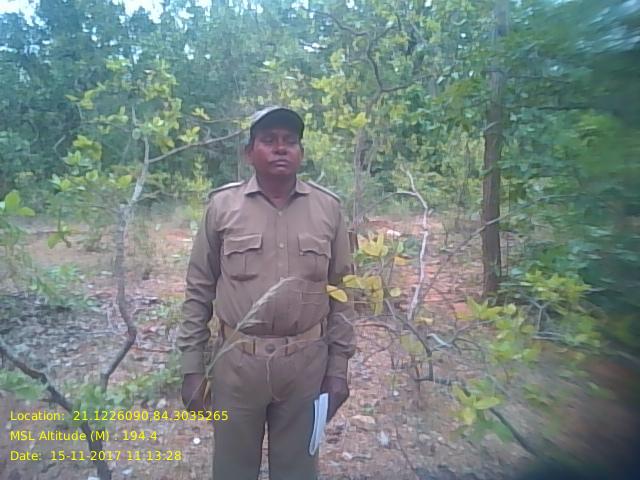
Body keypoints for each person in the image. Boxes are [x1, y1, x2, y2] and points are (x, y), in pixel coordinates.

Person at [176, 106, 356, 480]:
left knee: (298, 471)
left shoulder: (328, 209)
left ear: (301, 153)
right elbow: (198, 289)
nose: (280, 148)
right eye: (269, 140)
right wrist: (192, 367)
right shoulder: (222, 207)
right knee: (232, 470)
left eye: (290, 141)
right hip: (237, 366)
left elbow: (342, 292)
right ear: (249, 152)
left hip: (306, 366)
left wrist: (338, 369)